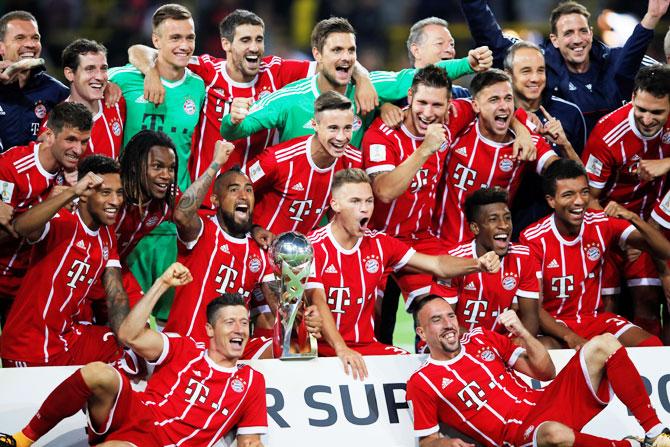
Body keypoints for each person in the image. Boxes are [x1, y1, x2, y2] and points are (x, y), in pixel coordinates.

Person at [0, 263, 268, 447]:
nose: (240, 329)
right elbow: (129, 335)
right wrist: (162, 284)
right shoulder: (184, 348)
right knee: (98, 373)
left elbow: (250, 441)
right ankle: (22, 439)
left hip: (164, 443)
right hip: (136, 414)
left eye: (244, 322)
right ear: (210, 329)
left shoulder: (250, 381)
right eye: (230, 322)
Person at [127, 9, 350, 211]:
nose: (254, 47)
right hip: (205, 200)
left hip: (253, 203)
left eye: (259, 40)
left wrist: (363, 79)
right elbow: (139, 50)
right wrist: (151, 72)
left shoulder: (276, 71)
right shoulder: (207, 71)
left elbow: (334, 61)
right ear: (226, 44)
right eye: (245, 40)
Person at [305, 168, 501, 379]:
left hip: (365, 346)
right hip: (320, 348)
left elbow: (437, 265)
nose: (364, 209)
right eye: (355, 201)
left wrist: (477, 264)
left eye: (369, 201)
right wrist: (341, 349)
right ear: (335, 205)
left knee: (411, 367)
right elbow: (318, 300)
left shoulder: (380, 244)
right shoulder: (311, 246)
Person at [406, 295, 670, 447]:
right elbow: (427, 441)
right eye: (436, 320)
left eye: (450, 316)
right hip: (517, 435)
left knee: (604, 343)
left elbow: (546, 372)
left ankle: (656, 433)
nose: (448, 324)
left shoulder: (481, 338)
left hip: (545, 402)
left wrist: (522, 333)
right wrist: (447, 444)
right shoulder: (423, 382)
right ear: (421, 332)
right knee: (553, 434)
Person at [220, 17, 493, 148]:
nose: (346, 57)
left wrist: (467, 64)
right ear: (317, 55)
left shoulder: (371, 86)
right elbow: (236, 131)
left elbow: (418, 76)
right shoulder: (290, 98)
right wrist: (232, 119)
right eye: (337, 51)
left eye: (351, 51)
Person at [108, 3, 206, 323]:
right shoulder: (121, 80)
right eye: (174, 37)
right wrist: (150, 68)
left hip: (169, 220)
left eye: (189, 37)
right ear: (156, 40)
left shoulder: (199, 85)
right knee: (122, 313)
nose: (184, 45)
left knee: (164, 317)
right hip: (125, 216)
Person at [520, 159, 668, 348]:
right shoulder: (533, 239)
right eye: (568, 195)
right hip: (556, 325)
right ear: (551, 200)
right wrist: (569, 337)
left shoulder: (600, 223)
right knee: (547, 351)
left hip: (596, 321)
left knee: (651, 346)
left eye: (584, 192)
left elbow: (664, 251)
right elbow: (533, 307)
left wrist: (632, 217)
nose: (579, 201)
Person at [459, 0, 669, 131]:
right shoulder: (541, 63)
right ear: (555, 40)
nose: (577, 39)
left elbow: (659, 72)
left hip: (615, 167)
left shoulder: (614, 59)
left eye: (582, 31)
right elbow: (494, 42)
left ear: (591, 33)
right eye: (568, 33)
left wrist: (652, 17)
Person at [0, 155, 130, 367]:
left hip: (66, 338)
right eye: (106, 192)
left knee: (124, 349)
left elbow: (116, 294)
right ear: (85, 194)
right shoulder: (61, 220)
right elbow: (21, 227)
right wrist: (71, 193)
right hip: (28, 345)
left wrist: (128, 334)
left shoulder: (106, 236)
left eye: (119, 193)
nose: (116, 201)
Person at [165, 139, 286, 358]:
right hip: (189, 347)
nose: (243, 195)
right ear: (215, 200)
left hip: (230, 356)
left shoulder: (260, 249)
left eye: (249, 190)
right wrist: (215, 164)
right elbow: (181, 215)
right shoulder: (202, 230)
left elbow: (281, 308)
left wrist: (301, 318)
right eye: (234, 190)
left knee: (281, 349)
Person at [582, 65, 670, 338]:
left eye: (657, 112)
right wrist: (629, 233)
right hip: (613, 224)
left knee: (650, 301)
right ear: (632, 96)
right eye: (641, 108)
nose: (646, 118)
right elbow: (589, 199)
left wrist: (666, 163)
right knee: (612, 308)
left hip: (657, 222)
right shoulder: (607, 135)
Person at [433, 69, 558, 247]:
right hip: (441, 246)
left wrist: (566, 146)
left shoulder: (526, 138)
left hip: (490, 254)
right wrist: (386, 107)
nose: (503, 105)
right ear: (475, 105)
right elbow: (418, 109)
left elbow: (560, 172)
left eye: (508, 99)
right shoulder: (459, 118)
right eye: (494, 99)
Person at [0, 102, 91, 322]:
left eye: (84, 141)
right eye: (70, 139)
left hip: (26, 285)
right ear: (49, 136)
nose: (78, 150)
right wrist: (52, 205)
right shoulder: (13, 167)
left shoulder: (73, 173)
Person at [248, 90, 361, 235]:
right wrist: (253, 228)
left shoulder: (355, 162)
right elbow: (233, 188)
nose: (341, 137)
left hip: (307, 252)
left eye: (347, 128)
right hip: (259, 248)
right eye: (333, 128)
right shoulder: (277, 159)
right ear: (314, 125)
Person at [503, 40, 585, 239]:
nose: (535, 78)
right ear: (508, 75)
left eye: (540, 71)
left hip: (559, 231)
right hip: (510, 229)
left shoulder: (569, 113)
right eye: (526, 71)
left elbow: (583, 179)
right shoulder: (497, 116)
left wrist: (564, 144)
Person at [444, 187, 539, 335]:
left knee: (547, 345)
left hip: (504, 345)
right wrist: (485, 348)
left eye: (507, 218)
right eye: (493, 219)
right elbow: (446, 324)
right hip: (460, 345)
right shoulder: (454, 261)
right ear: (475, 228)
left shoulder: (524, 257)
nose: (504, 225)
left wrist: (510, 347)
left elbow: (530, 318)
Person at [44, 38, 125, 159]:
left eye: (103, 68)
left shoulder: (117, 103)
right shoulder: (52, 125)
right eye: (90, 69)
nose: (99, 76)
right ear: (70, 74)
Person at [0, 11, 68, 151]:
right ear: (1, 47)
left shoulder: (57, 92)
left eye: (35, 38)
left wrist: (109, 86)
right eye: (20, 38)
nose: (30, 44)